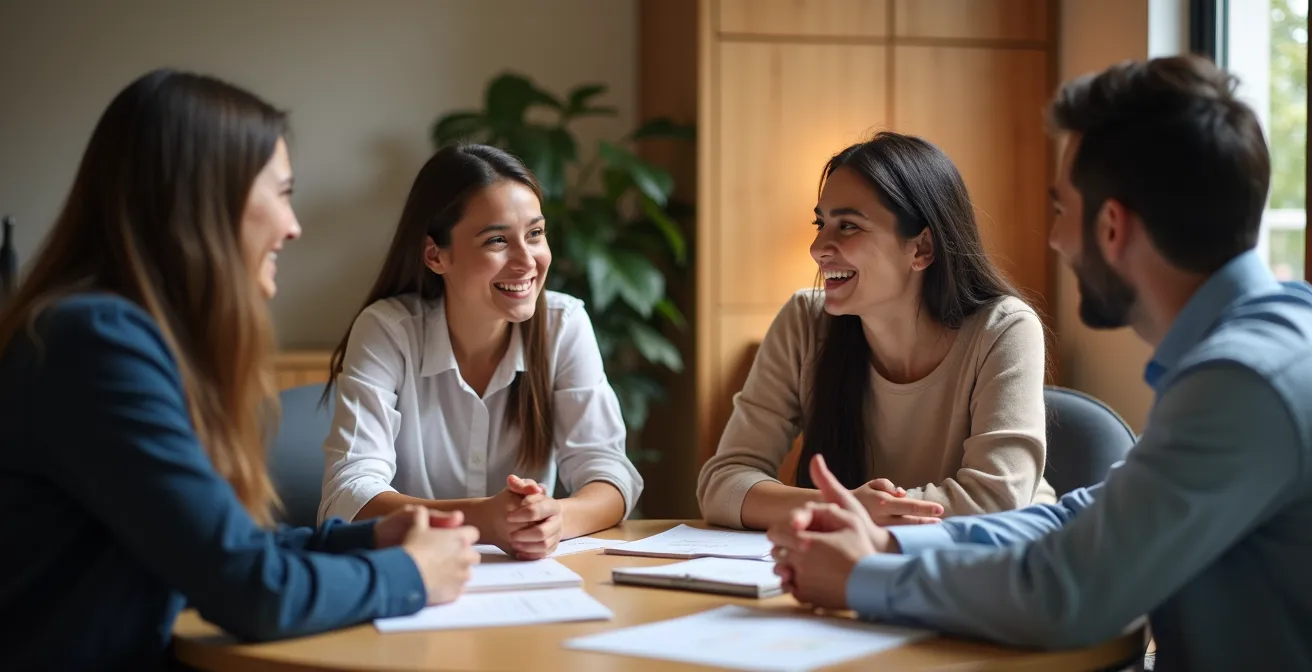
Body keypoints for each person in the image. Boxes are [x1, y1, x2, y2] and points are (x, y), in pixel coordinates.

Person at [768, 55, 1312, 671]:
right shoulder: (1268, 346)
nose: (1054, 239)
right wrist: (893, 541)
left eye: (1060, 210)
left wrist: (864, 579)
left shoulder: (1242, 384)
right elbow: (1089, 517)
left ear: (1112, 227)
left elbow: (1068, 591)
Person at [0, 70, 482, 669]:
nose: (293, 225)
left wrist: (368, 537)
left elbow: (216, 546)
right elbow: (247, 588)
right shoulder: (97, 342)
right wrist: (409, 574)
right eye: (281, 193)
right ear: (207, 197)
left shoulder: (110, 334)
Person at [698, 132, 1055, 531]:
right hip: (854, 567)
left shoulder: (1004, 329)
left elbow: (995, 501)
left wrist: (855, 514)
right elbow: (722, 483)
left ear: (921, 249)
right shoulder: (804, 321)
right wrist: (847, 507)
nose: (818, 247)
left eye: (848, 226)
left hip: (989, 571)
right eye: (821, 223)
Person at [319, 144, 642, 560]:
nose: (527, 261)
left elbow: (611, 473)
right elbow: (348, 497)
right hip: (412, 577)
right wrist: (482, 520)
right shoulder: (387, 331)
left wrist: (554, 518)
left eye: (535, 234)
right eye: (496, 240)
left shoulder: (564, 323)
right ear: (436, 255)